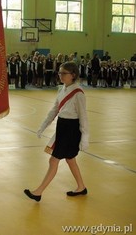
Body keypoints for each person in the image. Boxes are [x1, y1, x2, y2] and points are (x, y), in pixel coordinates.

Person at [24, 61, 89, 202]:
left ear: (73, 75)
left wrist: (85, 137)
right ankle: (81, 187)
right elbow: (54, 110)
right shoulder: (62, 90)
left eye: (63, 73)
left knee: (54, 160)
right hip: (62, 127)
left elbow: (83, 116)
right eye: (59, 73)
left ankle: (38, 192)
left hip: (71, 130)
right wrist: (43, 126)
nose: (60, 75)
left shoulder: (78, 93)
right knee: (70, 159)